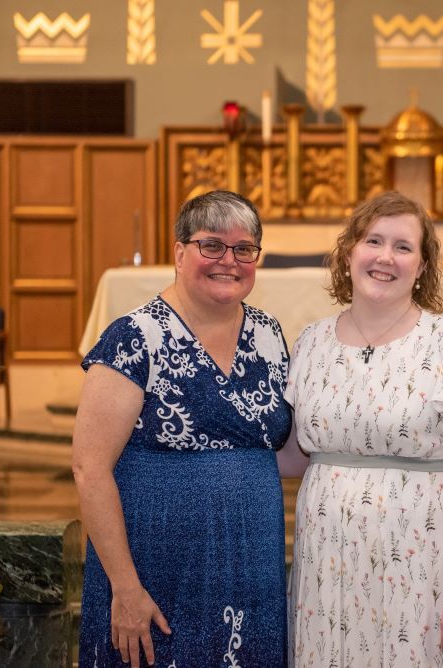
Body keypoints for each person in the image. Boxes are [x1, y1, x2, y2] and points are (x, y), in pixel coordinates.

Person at [277, 191, 443, 666]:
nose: (385, 257)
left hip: (427, 559)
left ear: (422, 266)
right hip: (331, 562)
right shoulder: (311, 342)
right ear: (349, 253)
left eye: (403, 247)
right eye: (373, 241)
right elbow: (295, 457)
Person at [72, 190, 292, 667]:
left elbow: (280, 445)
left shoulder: (270, 334)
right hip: (158, 572)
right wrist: (125, 588)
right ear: (178, 252)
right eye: (211, 245)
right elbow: (90, 469)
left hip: (251, 570)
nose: (228, 261)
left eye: (243, 249)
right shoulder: (133, 337)